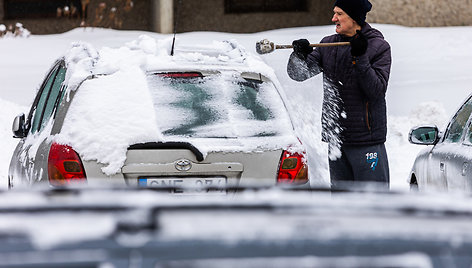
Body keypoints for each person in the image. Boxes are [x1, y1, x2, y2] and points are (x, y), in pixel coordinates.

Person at [287, 0, 391, 189]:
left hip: (366, 141)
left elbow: (376, 90)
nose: (333, 18)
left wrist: (360, 57)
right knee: (342, 202)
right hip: (336, 140)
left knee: (374, 204)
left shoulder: (379, 46)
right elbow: (299, 74)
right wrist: (298, 56)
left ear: (354, 18)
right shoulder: (328, 44)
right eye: (334, 13)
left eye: (339, 14)